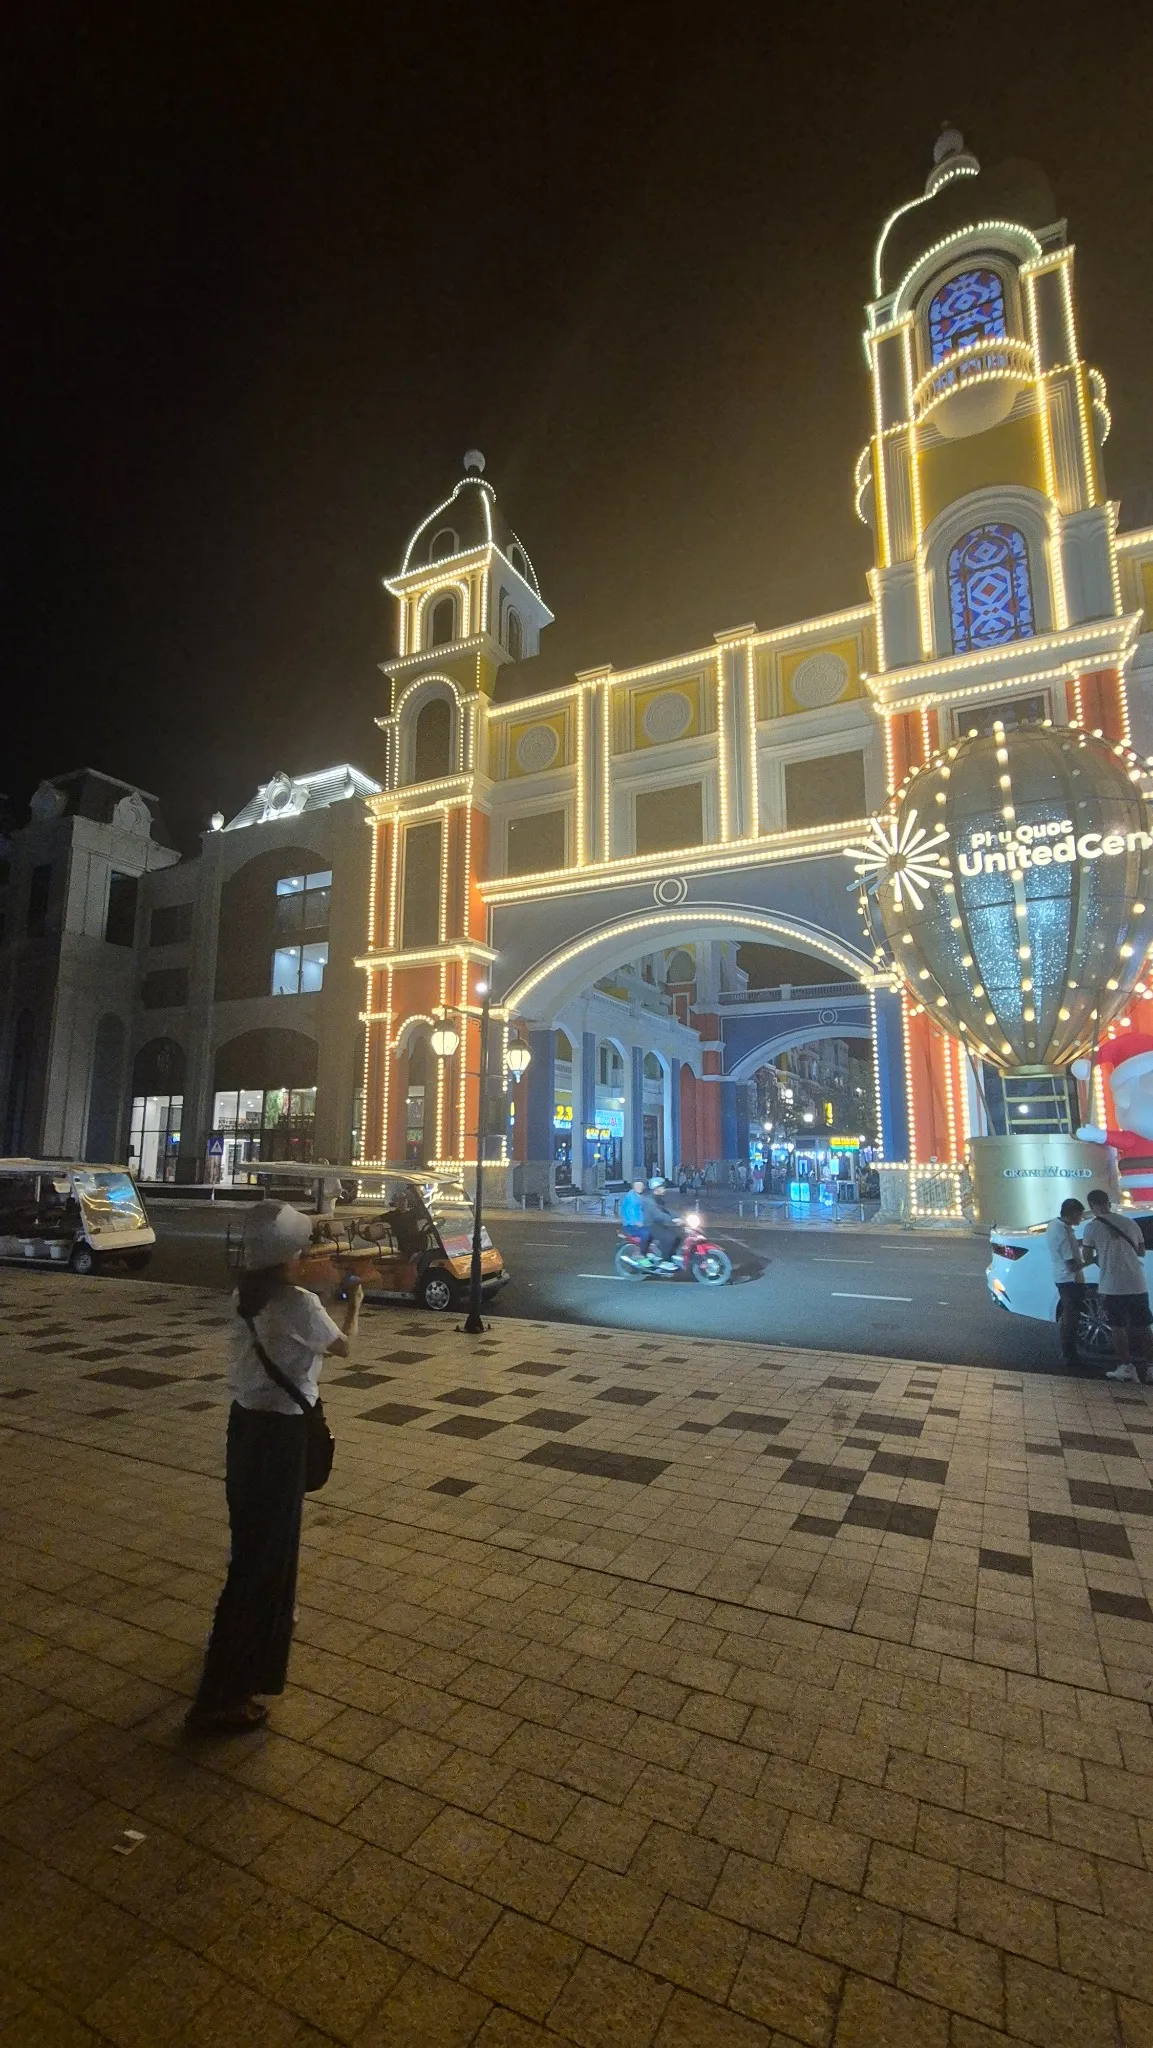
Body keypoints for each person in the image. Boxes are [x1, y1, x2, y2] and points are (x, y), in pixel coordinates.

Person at [185, 1201, 362, 1735]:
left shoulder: (247, 1295)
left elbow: (289, 1325)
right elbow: (344, 1346)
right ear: (285, 1256)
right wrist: (354, 1302)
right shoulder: (300, 1303)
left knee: (250, 1551)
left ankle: (232, 1655)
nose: (307, 1255)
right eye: (301, 1249)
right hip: (280, 1438)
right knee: (266, 1562)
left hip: (244, 1430)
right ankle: (222, 1695)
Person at [1079, 1188, 1153, 1385]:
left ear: (1091, 1205)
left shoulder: (1092, 1227)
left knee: (1117, 1327)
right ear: (1108, 1203)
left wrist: (1103, 1255)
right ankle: (1151, 1367)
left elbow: (1087, 1257)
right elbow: (1141, 1252)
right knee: (1144, 1326)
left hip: (1112, 1285)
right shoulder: (1130, 1223)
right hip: (1137, 1283)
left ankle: (1127, 1367)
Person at [1045, 1197, 1087, 1367]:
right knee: (1071, 1317)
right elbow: (1071, 1265)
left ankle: (1069, 1352)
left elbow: (1070, 1246)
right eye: (1080, 1215)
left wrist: (1083, 1243)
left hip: (1062, 1278)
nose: (1081, 1219)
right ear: (1073, 1213)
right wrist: (1093, 1260)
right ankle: (1070, 1354)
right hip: (1070, 1280)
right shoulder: (1063, 1232)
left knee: (1069, 1315)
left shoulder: (1054, 1225)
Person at [641, 1176, 682, 1268]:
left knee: (678, 1237)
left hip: (657, 1224)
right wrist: (672, 1220)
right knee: (669, 1238)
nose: (664, 1189)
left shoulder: (658, 1199)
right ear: (656, 1189)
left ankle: (666, 1255)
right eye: (662, 1187)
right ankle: (664, 1261)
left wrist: (678, 1216)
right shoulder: (648, 1201)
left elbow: (665, 1211)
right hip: (649, 1225)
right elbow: (657, 1214)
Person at [620, 1178, 649, 1251]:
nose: (639, 1187)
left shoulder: (638, 1195)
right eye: (637, 1186)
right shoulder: (631, 1198)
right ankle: (642, 1252)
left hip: (639, 1222)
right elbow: (629, 1211)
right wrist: (636, 1222)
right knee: (646, 1234)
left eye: (641, 1186)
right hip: (631, 1225)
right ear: (633, 1186)